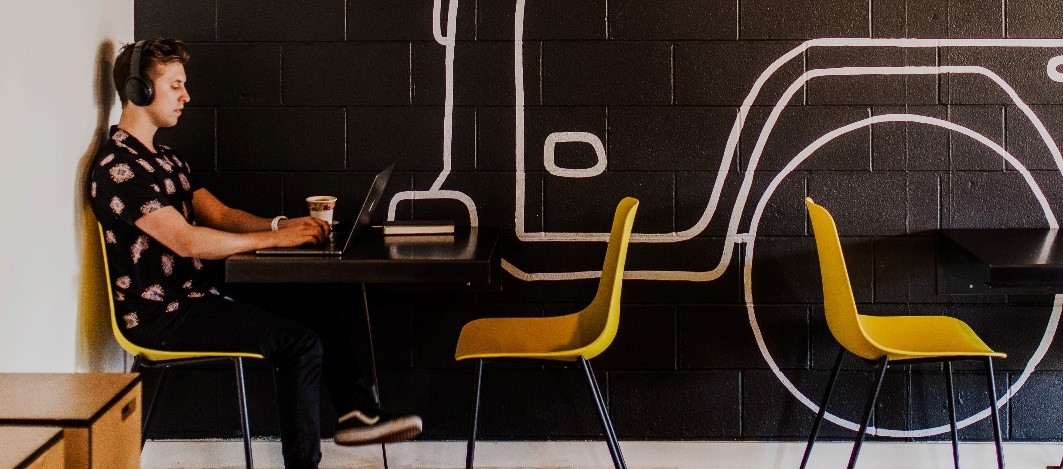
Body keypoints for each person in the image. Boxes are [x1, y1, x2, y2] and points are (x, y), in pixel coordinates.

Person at [89, 37, 421, 469]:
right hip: (162, 316)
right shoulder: (118, 170)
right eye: (175, 86)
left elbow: (221, 215)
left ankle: (355, 412)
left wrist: (284, 226)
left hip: (198, 296)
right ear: (139, 91)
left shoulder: (167, 160)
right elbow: (188, 240)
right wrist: (277, 241)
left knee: (313, 296)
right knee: (299, 344)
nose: (186, 96)